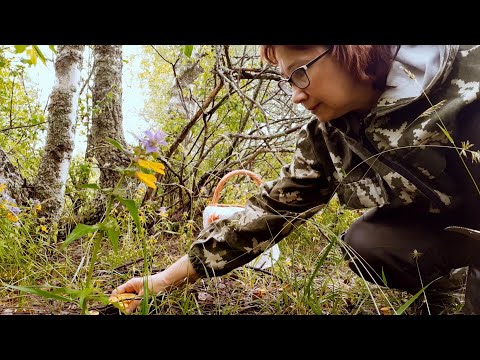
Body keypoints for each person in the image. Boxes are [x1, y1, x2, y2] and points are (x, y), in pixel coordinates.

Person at [111, 45, 480, 315]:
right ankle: (444, 288)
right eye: (288, 80)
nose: (296, 95)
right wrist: (162, 280)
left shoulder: (466, 77)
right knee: (366, 243)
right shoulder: (329, 134)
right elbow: (269, 211)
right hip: (451, 233)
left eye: (300, 72)